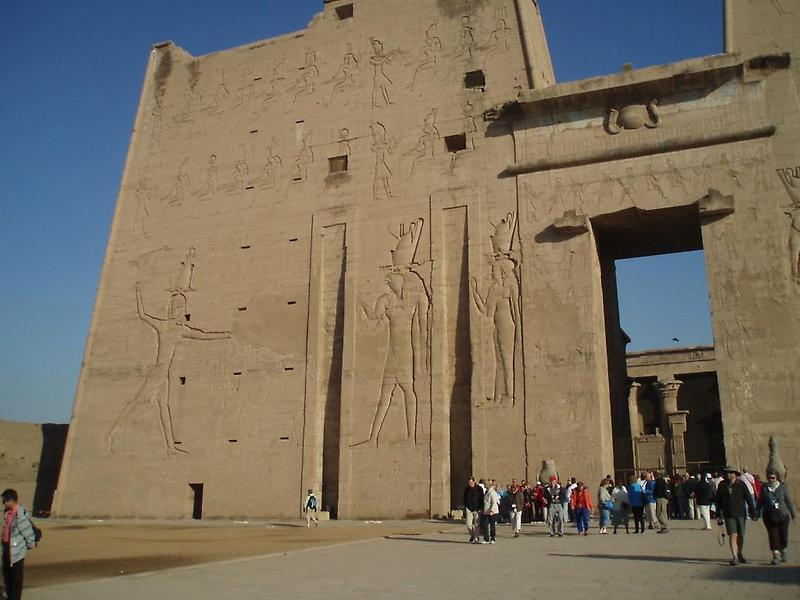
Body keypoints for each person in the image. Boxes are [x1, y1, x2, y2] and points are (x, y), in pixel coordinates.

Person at [716, 466, 757, 565]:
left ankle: (740, 553)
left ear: (735, 474)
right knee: (733, 535)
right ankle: (734, 556)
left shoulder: (741, 485)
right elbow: (718, 501)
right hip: (728, 513)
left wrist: (753, 512)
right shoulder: (722, 485)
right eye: (727, 472)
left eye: (730, 472)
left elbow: (749, 499)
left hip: (741, 513)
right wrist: (718, 515)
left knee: (741, 534)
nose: (728, 474)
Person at [2, 489, 36, 600]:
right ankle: (9, 595)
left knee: (16, 578)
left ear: (11, 500)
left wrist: (31, 543)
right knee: (7, 574)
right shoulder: (7, 512)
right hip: (7, 548)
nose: (4, 504)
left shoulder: (20, 513)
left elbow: (27, 530)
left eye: (4, 501)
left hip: (16, 551)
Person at [756, 468, 796, 565]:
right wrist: (756, 513)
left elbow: (789, 501)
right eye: (769, 478)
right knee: (773, 535)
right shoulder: (765, 488)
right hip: (769, 516)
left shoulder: (782, 487)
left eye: (773, 478)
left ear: (777, 477)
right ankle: (775, 555)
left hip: (783, 515)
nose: (771, 480)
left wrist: (793, 515)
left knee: (783, 535)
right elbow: (760, 501)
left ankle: (783, 551)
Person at [463, 477, 484, 543]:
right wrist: (465, 506)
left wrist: (481, 508)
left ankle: (476, 538)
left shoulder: (479, 489)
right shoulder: (467, 489)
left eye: (471, 482)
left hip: (477, 509)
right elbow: (464, 498)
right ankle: (473, 535)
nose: (470, 484)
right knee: (468, 524)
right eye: (469, 482)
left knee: (476, 525)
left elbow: (482, 499)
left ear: (474, 482)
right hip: (469, 508)